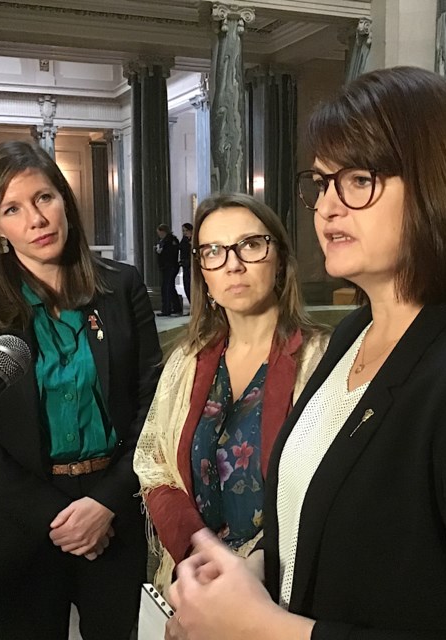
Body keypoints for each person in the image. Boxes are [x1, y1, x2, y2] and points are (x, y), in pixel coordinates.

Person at [166, 66, 446, 640]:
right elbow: (327, 518)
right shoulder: (352, 335)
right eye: (321, 184)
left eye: (358, 180)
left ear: (440, 182)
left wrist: (264, 628)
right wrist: (246, 577)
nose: (327, 208)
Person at [0, 140, 162, 640]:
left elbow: (154, 406)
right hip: (18, 522)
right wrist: (56, 515)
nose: (36, 219)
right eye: (13, 209)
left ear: (65, 200)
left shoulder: (120, 287)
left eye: (44, 198)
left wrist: (105, 502)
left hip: (113, 511)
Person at [133, 193, 329, 595]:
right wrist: (197, 547)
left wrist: (253, 566)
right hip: (195, 580)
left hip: (282, 588)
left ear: (278, 258)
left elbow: (332, 492)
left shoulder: (322, 361)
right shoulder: (186, 363)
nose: (233, 265)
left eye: (251, 245)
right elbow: (154, 466)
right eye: (214, 252)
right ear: (202, 271)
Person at [155, 223, 183, 316]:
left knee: (166, 287)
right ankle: (176, 307)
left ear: (163, 231)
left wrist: (161, 252)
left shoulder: (171, 240)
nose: (159, 235)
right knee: (170, 287)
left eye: (160, 233)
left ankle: (166, 309)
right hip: (166, 266)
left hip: (170, 266)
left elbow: (171, 253)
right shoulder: (163, 240)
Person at [179, 222, 194, 313]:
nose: (184, 232)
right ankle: (191, 305)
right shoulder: (184, 240)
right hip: (185, 265)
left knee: (193, 286)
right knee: (187, 285)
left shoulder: (194, 239)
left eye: (186, 230)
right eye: (183, 231)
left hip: (193, 265)